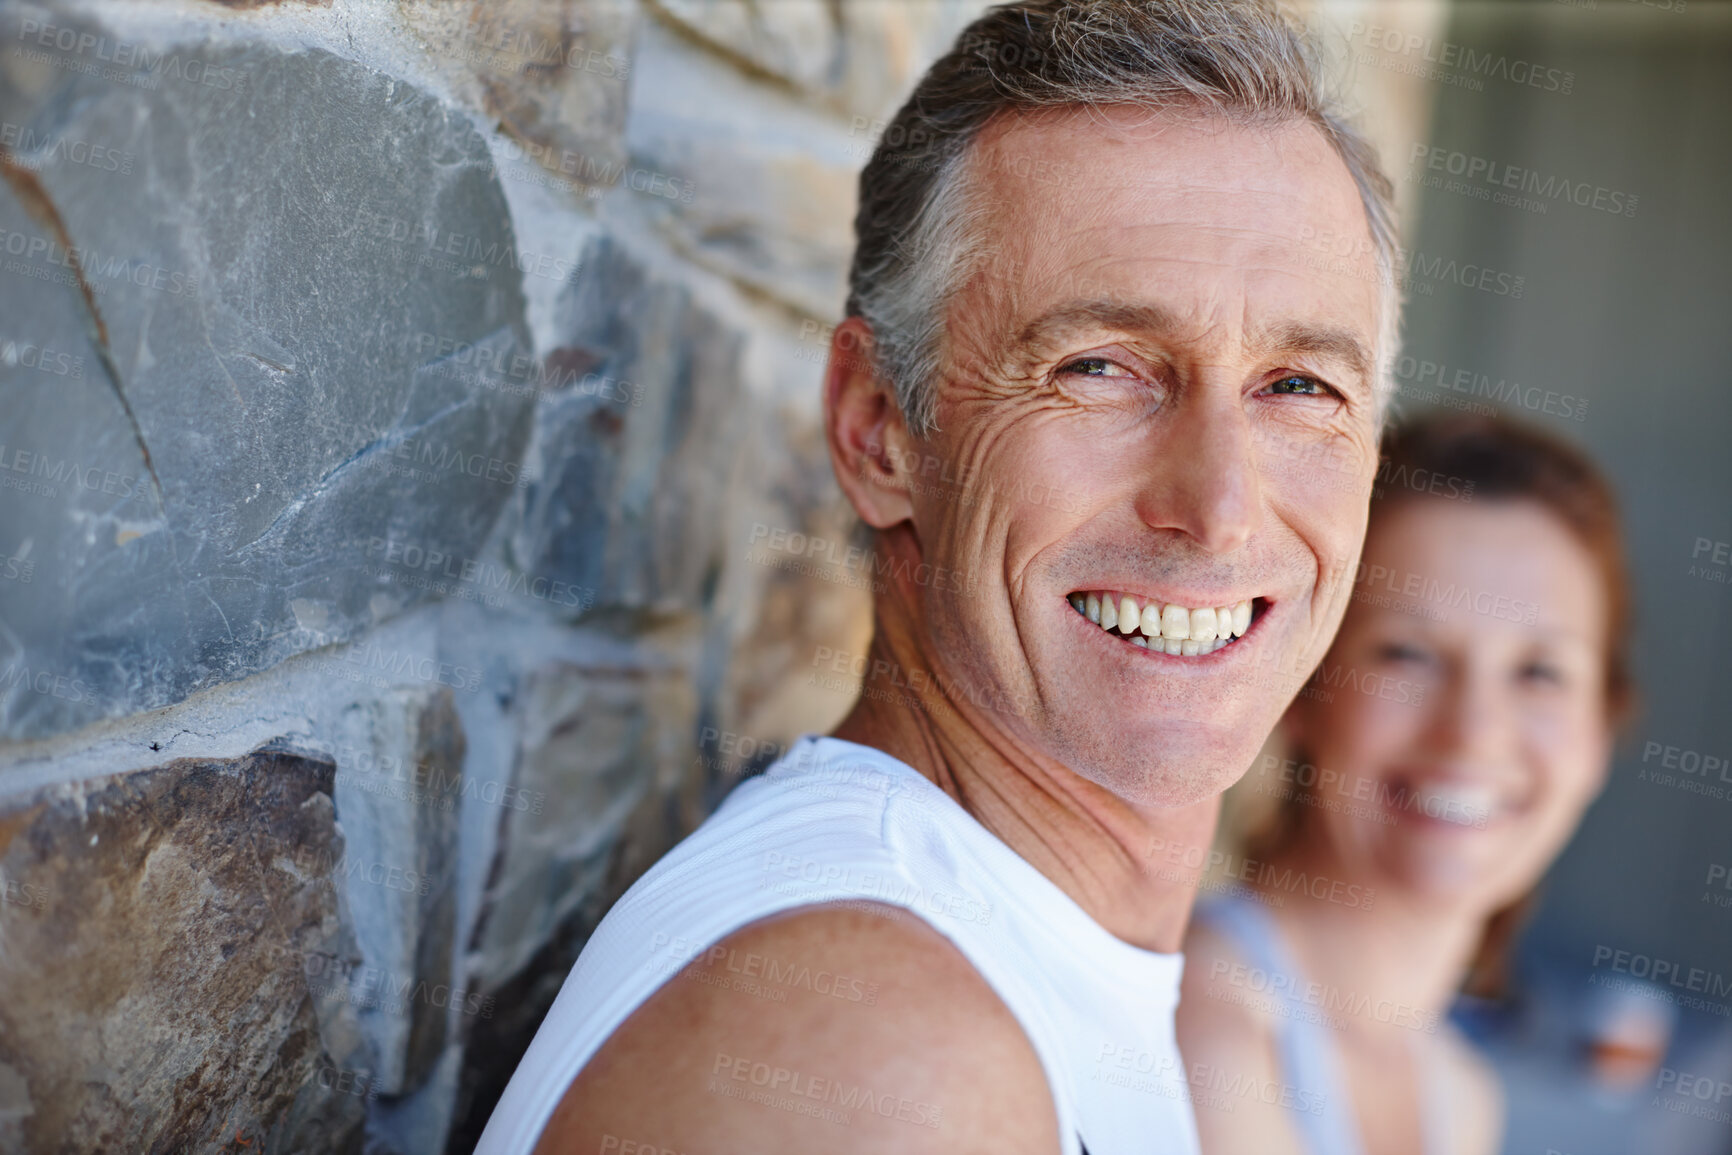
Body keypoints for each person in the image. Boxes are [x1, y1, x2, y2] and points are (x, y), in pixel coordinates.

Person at [478, 0, 1401, 1151]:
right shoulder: (880, 1052)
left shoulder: (1026, 973)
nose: (1216, 512)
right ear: (879, 430)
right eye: (1099, 368)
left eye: (1300, 386)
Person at [1178, 414, 1634, 1155]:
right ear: (1302, 686)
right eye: (1408, 654)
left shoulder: (1458, 1096)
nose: (1474, 731)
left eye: (1540, 672)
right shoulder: (1209, 1033)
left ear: (1599, 734)